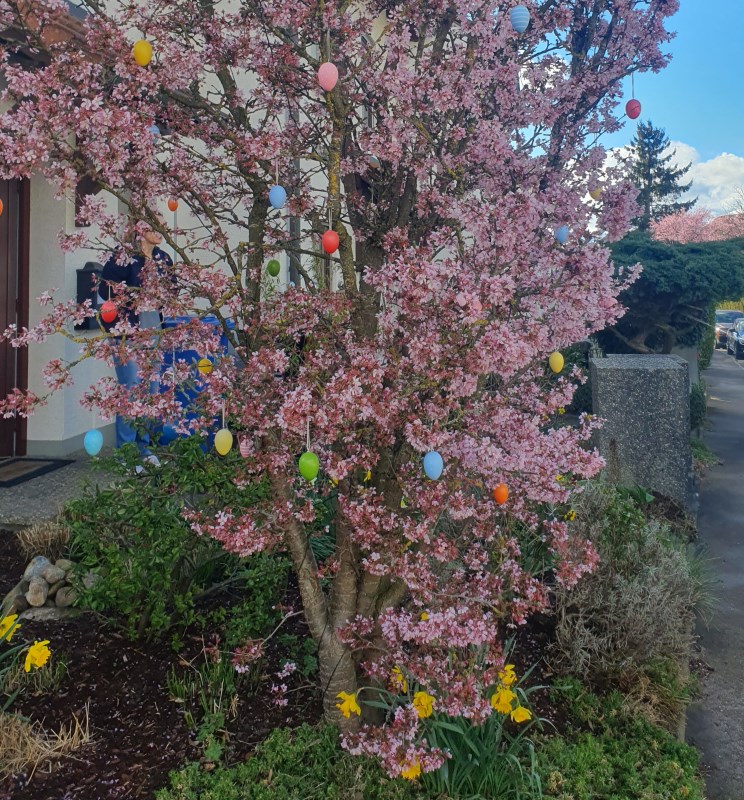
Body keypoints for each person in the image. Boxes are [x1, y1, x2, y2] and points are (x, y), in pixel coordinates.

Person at [99, 220, 173, 452]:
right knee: (131, 391)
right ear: (141, 232)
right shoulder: (124, 257)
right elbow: (105, 290)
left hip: (154, 334)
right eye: (155, 227)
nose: (161, 231)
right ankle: (128, 453)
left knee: (151, 393)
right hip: (128, 335)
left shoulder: (164, 259)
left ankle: (144, 447)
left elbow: (173, 289)